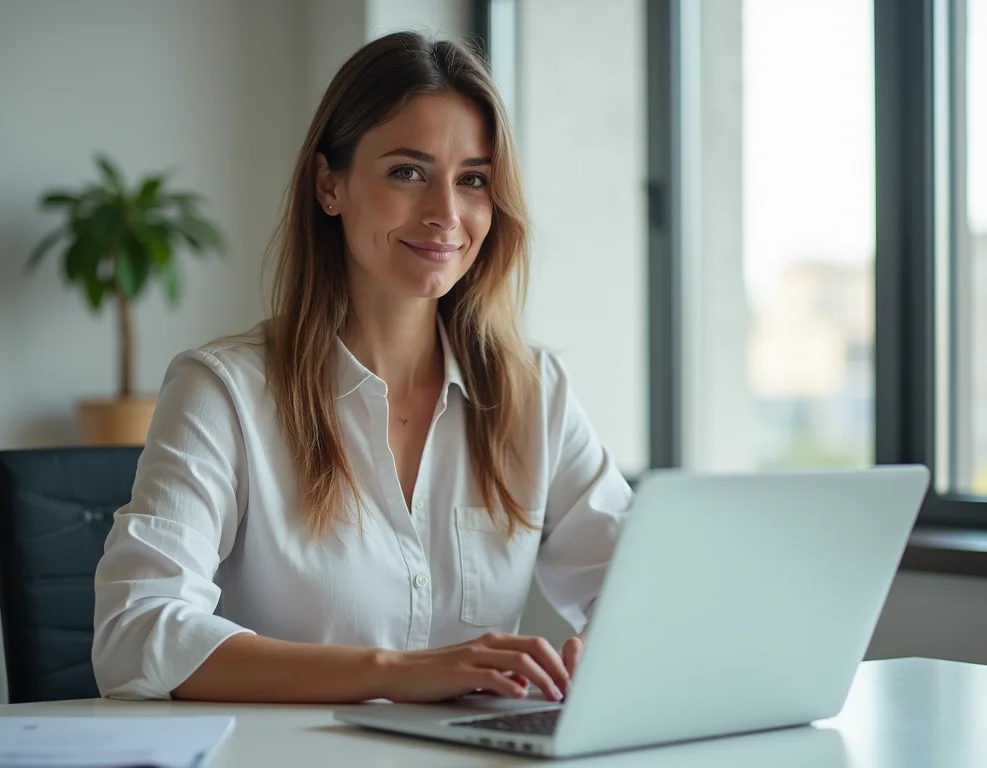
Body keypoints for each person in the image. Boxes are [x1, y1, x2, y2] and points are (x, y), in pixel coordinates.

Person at [92, 31, 632, 705]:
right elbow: (135, 634)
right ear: (330, 185)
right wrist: (395, 673)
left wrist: (614, 652)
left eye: (473, 181)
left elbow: (640, 592)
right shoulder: (225, 393)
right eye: (408, 172)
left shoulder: (534, 393)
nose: (445, 215)